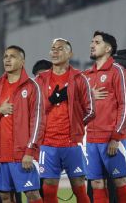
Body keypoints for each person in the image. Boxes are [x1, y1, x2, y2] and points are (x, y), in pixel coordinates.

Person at [0, 45, 44, 203]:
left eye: (12, 56)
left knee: (32, 194)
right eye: (5, 56)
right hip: (1, 155)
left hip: (23, 154)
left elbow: (37, 123)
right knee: (5, 196)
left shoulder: (31, 87)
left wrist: (30, 151)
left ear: (22, 61)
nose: (7, 59)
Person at [36, 38, 94, 203]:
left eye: (60, 48)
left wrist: (76, 126)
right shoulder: (40, 80)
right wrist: (51, 101)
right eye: (53, 48)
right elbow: (33, 110)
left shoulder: (79, 79)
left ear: (70, 53)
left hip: (72, 144)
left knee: (79, 188)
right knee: (48, 189)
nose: (55, 51)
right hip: (48, 143)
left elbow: (91, 110)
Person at [84, 31, 126, 203]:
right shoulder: (86, 76)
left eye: (97, 42)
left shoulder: (117, 71)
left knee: (120, 181)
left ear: (108, 48)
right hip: (91, 139)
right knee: (96, 183)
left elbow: (125, 105)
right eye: (92, 42)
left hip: (112, 138)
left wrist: (116, 137)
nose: (92, 45)